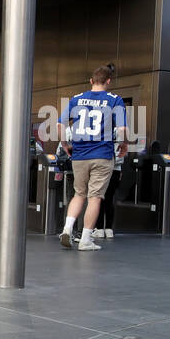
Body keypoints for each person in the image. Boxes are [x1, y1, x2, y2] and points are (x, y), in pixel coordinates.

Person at [58, 64, 126, 251]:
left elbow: (61, 124)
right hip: (102, 155)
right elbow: (122, 129)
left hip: (79, 155)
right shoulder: (115, 100)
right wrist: (125, 144)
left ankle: (67, 228)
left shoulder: (76, 99)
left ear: (91, 81)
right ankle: (86, 239)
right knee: (95, 197)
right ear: (109, 81)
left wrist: (65, 144)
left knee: (79, 194)